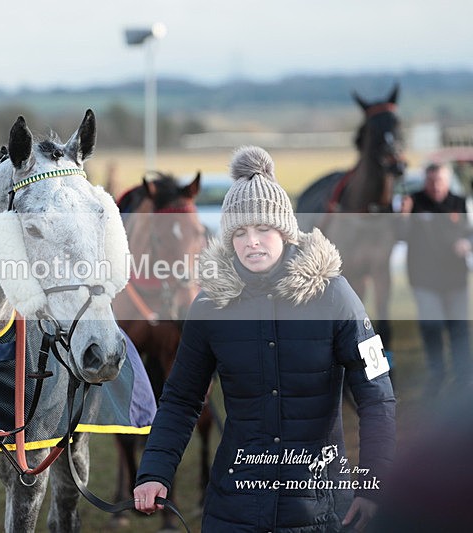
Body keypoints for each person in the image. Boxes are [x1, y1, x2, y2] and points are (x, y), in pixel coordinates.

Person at [133, 146, 396, 532]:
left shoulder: (335, 295)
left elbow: (377, 396)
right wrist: (155, 471)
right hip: (234, 509)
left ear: (285, 231)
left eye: (263, 229)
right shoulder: (209, 305)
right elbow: (181, 398)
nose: (251, 242)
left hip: (320, 510)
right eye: (239, 232)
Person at [400, 162, 472, 390]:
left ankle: (463, 379)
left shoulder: (458, 203)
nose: (435, 186)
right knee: (432, 327)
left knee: (459, 329)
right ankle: (437, 375)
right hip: (425, 280)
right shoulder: (414, 202)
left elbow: (470, 233)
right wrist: (403, 215)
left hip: (455, 278)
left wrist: (466, 243)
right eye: (431, 181)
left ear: (447, 181)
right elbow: (400, 235)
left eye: (439, 181)